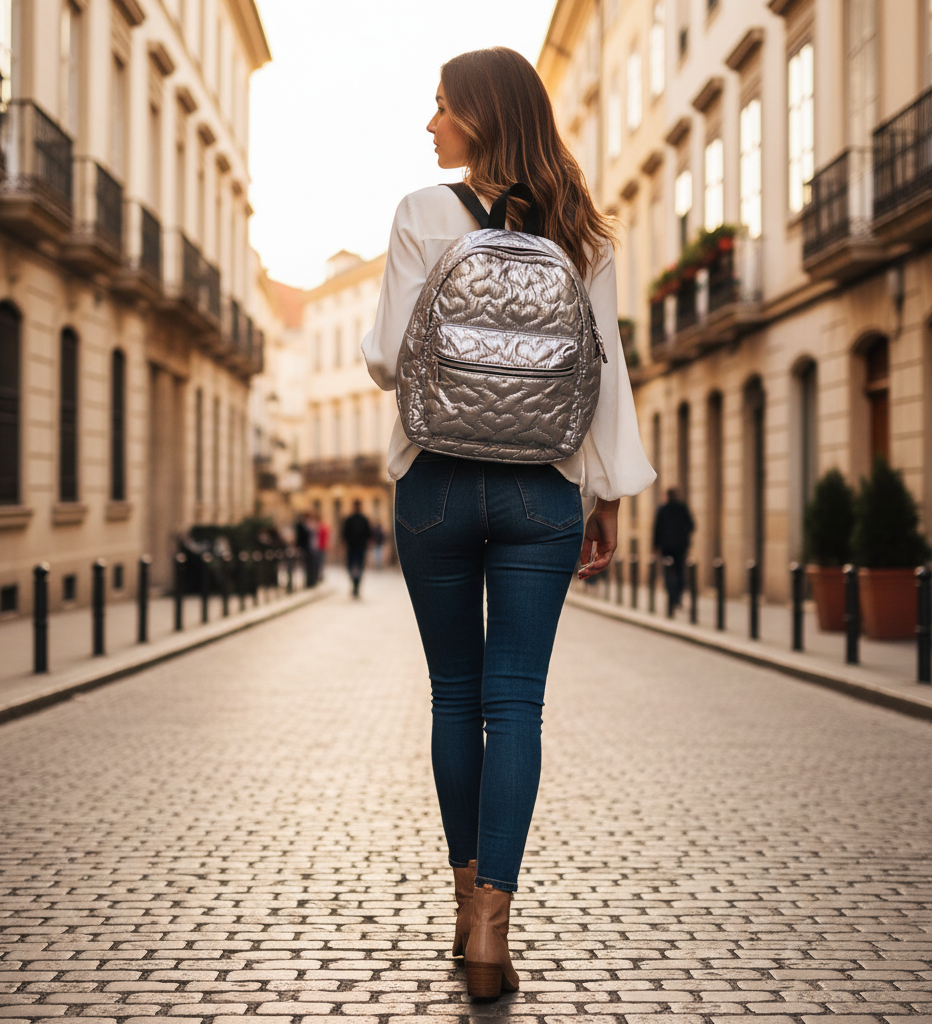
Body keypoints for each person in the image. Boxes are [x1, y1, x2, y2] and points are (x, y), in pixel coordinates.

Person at [362, 47, 655, 999]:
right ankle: (492, 930)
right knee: (514, 704)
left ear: (482, 118)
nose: (431, 124)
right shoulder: (583, 232)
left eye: (442, 107)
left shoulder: (420, 213)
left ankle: (459, 902)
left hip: (437, 485)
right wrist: (604, 496)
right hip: (543, 492)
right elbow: (604, 369)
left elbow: (380, 362)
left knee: (455, 697)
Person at [653, 487, 696, 616]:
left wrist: (656, 546)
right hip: (680, 546)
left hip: (666, 547)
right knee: (679, 572)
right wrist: (684, 535)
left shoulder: (662, 509)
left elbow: (656, 529)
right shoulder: (682, 508)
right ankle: (677, 598)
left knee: (667, 572)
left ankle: (671, 597)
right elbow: (692, 525)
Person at [341, 500, 373, 597]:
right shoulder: (361, 519)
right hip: (357, 546)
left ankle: (356, 584)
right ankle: (356, 583)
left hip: (356, 546)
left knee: (354, 566)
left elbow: (344, 534)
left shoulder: (354, 519)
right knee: (358, 566)